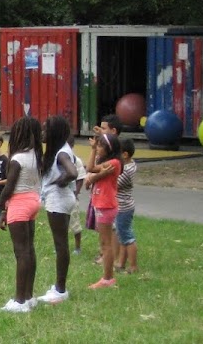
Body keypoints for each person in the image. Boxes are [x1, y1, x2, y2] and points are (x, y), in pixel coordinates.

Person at [0, 116, 43, 313]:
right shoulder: (35, 155)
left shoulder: (17, 159)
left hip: (19, 203)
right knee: (29, 249)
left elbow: (9, 187)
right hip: (33, 201)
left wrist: (1, 206)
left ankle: (19, 301)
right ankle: (29, 296)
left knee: (21, 252)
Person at [37, 116, 77, 304]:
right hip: (62, 199)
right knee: (61, 244)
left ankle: (60, 289)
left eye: (45, 130)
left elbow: (72, 173)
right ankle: (59, 286)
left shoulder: (61, 153)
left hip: (58, 200)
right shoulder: (62, 150)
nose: (42, 134)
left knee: (60, 245)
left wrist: (56, 183)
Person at [85, 124, 123, 290]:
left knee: (106, 244)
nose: (98, 148)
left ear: (109, 148)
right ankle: (107, 276)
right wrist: (93, 150)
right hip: (100, 203)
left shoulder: (114, 162)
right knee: (103, 242)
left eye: (100, 146)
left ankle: (108, 278)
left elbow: (91, 171)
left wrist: (93, 178)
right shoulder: (108, 162)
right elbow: (90, 168)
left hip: (106, 205)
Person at [114, 138, 139, 275]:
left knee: (127, 237)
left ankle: (133, 265)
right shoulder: (128, 166)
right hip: (122, 207)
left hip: (124, 207)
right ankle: (121, 263)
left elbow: (114, 184)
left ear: (125, 155)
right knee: (122, 235)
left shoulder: (126, 170)